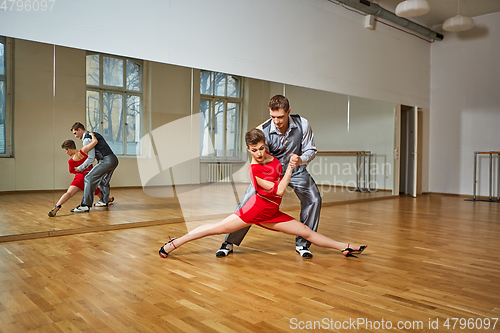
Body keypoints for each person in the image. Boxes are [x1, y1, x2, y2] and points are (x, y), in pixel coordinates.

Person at [159, 129, 366, 259]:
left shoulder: (271, 157)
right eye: (254, 150)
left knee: (305, 231)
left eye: (261, 148)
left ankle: (344, 248)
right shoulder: (255, 170)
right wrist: (291, 169)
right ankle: (173, 244)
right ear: (248, 150)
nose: (259, 153)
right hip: (254, 212)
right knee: (215, 229)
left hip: (272, 213)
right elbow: (280, 189)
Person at [216, 95, 321, 259]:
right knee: (247, 202)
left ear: (288, 112)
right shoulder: (262, 129)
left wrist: (300, 159)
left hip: (296, 170)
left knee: (314, 198)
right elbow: (255, 154)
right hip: (270, 172)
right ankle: (228, 242)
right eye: (273, 117)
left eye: (280, 117)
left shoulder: (303, 124)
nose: (276, 121)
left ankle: (303, 244)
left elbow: (311, 150)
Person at [48, 134, 113, 217]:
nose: (66, 153)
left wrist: (78, 169)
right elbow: (94, 143)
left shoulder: (71, 162)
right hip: (90, 178)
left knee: (69, 193)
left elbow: (73, 171)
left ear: (68, 150)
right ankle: (110, 199)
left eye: (65, 151)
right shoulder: (84, 152)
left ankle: (57, 206)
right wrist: (92, 135)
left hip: (79, 179)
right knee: (100, 195)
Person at [69, 122, 119, 213]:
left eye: (75, 133)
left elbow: (91, 158)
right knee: (104, 180)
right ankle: (104, 201)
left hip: (106, 161)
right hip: (113, 159)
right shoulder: (94, 134)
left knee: (88, 178)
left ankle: (85, 205)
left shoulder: (87, 138)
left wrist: (80, 168)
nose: (75, 136)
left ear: (80, 130)